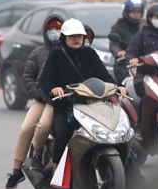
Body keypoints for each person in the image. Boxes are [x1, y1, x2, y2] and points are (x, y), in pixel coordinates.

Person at [38, 19, 127, 169]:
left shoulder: (90, 54)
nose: (76, 39)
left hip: (93, 106)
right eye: (72, 36)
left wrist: (118, 87)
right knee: (64, 133)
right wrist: (54, 89)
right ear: (64, 38)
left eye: (79, 36)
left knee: (116, 132)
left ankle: (129, 172)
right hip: (66, 107)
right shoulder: (55, 55)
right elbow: (45, 81)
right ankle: (57, 170)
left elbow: (104, 76)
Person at [5, 14, 63, 189]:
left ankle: (37, 154)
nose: (54, 32)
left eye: (57, 29)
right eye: (50, 29)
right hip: (41, 98)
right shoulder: (37, 53)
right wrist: (40, 94)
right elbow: (28, 78)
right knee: (25, 128)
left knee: (43, 126)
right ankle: (16, 171)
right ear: (45, 32)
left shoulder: (68, 52)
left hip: (59, 100)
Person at [109, 0, 145, 83]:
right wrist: (119, 52)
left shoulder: (146, 27)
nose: (136, 14)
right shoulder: (118, 27)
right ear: (126, 12)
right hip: (124, 65)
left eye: (138, 12)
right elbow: (114, 44)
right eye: (133, 11)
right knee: (130, 86)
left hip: (146, 65)